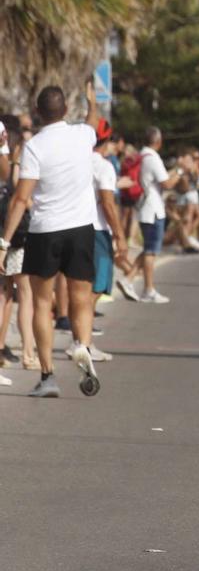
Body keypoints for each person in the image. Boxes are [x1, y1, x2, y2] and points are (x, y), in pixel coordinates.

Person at [0, 87, 103, 396]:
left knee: (43, 303)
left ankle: (47, 377)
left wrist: (5, 242)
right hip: (82, 228)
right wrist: (92, 101)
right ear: (66, 107)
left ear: (37, 111)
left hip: (46, 231)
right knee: (81, 297)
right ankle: (82, 345)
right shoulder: (84, 135)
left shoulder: (34, 147)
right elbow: (94, 120)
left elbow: (21, 197)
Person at [131, 126, 173, 303]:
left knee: (148, 247)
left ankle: (127, 279)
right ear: (158, 141)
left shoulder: (142, 156)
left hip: (145, 208)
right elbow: (167, 184)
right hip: (153, 209)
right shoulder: (152, 158)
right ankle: (149, 289)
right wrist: (179, 171)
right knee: (151, 252)